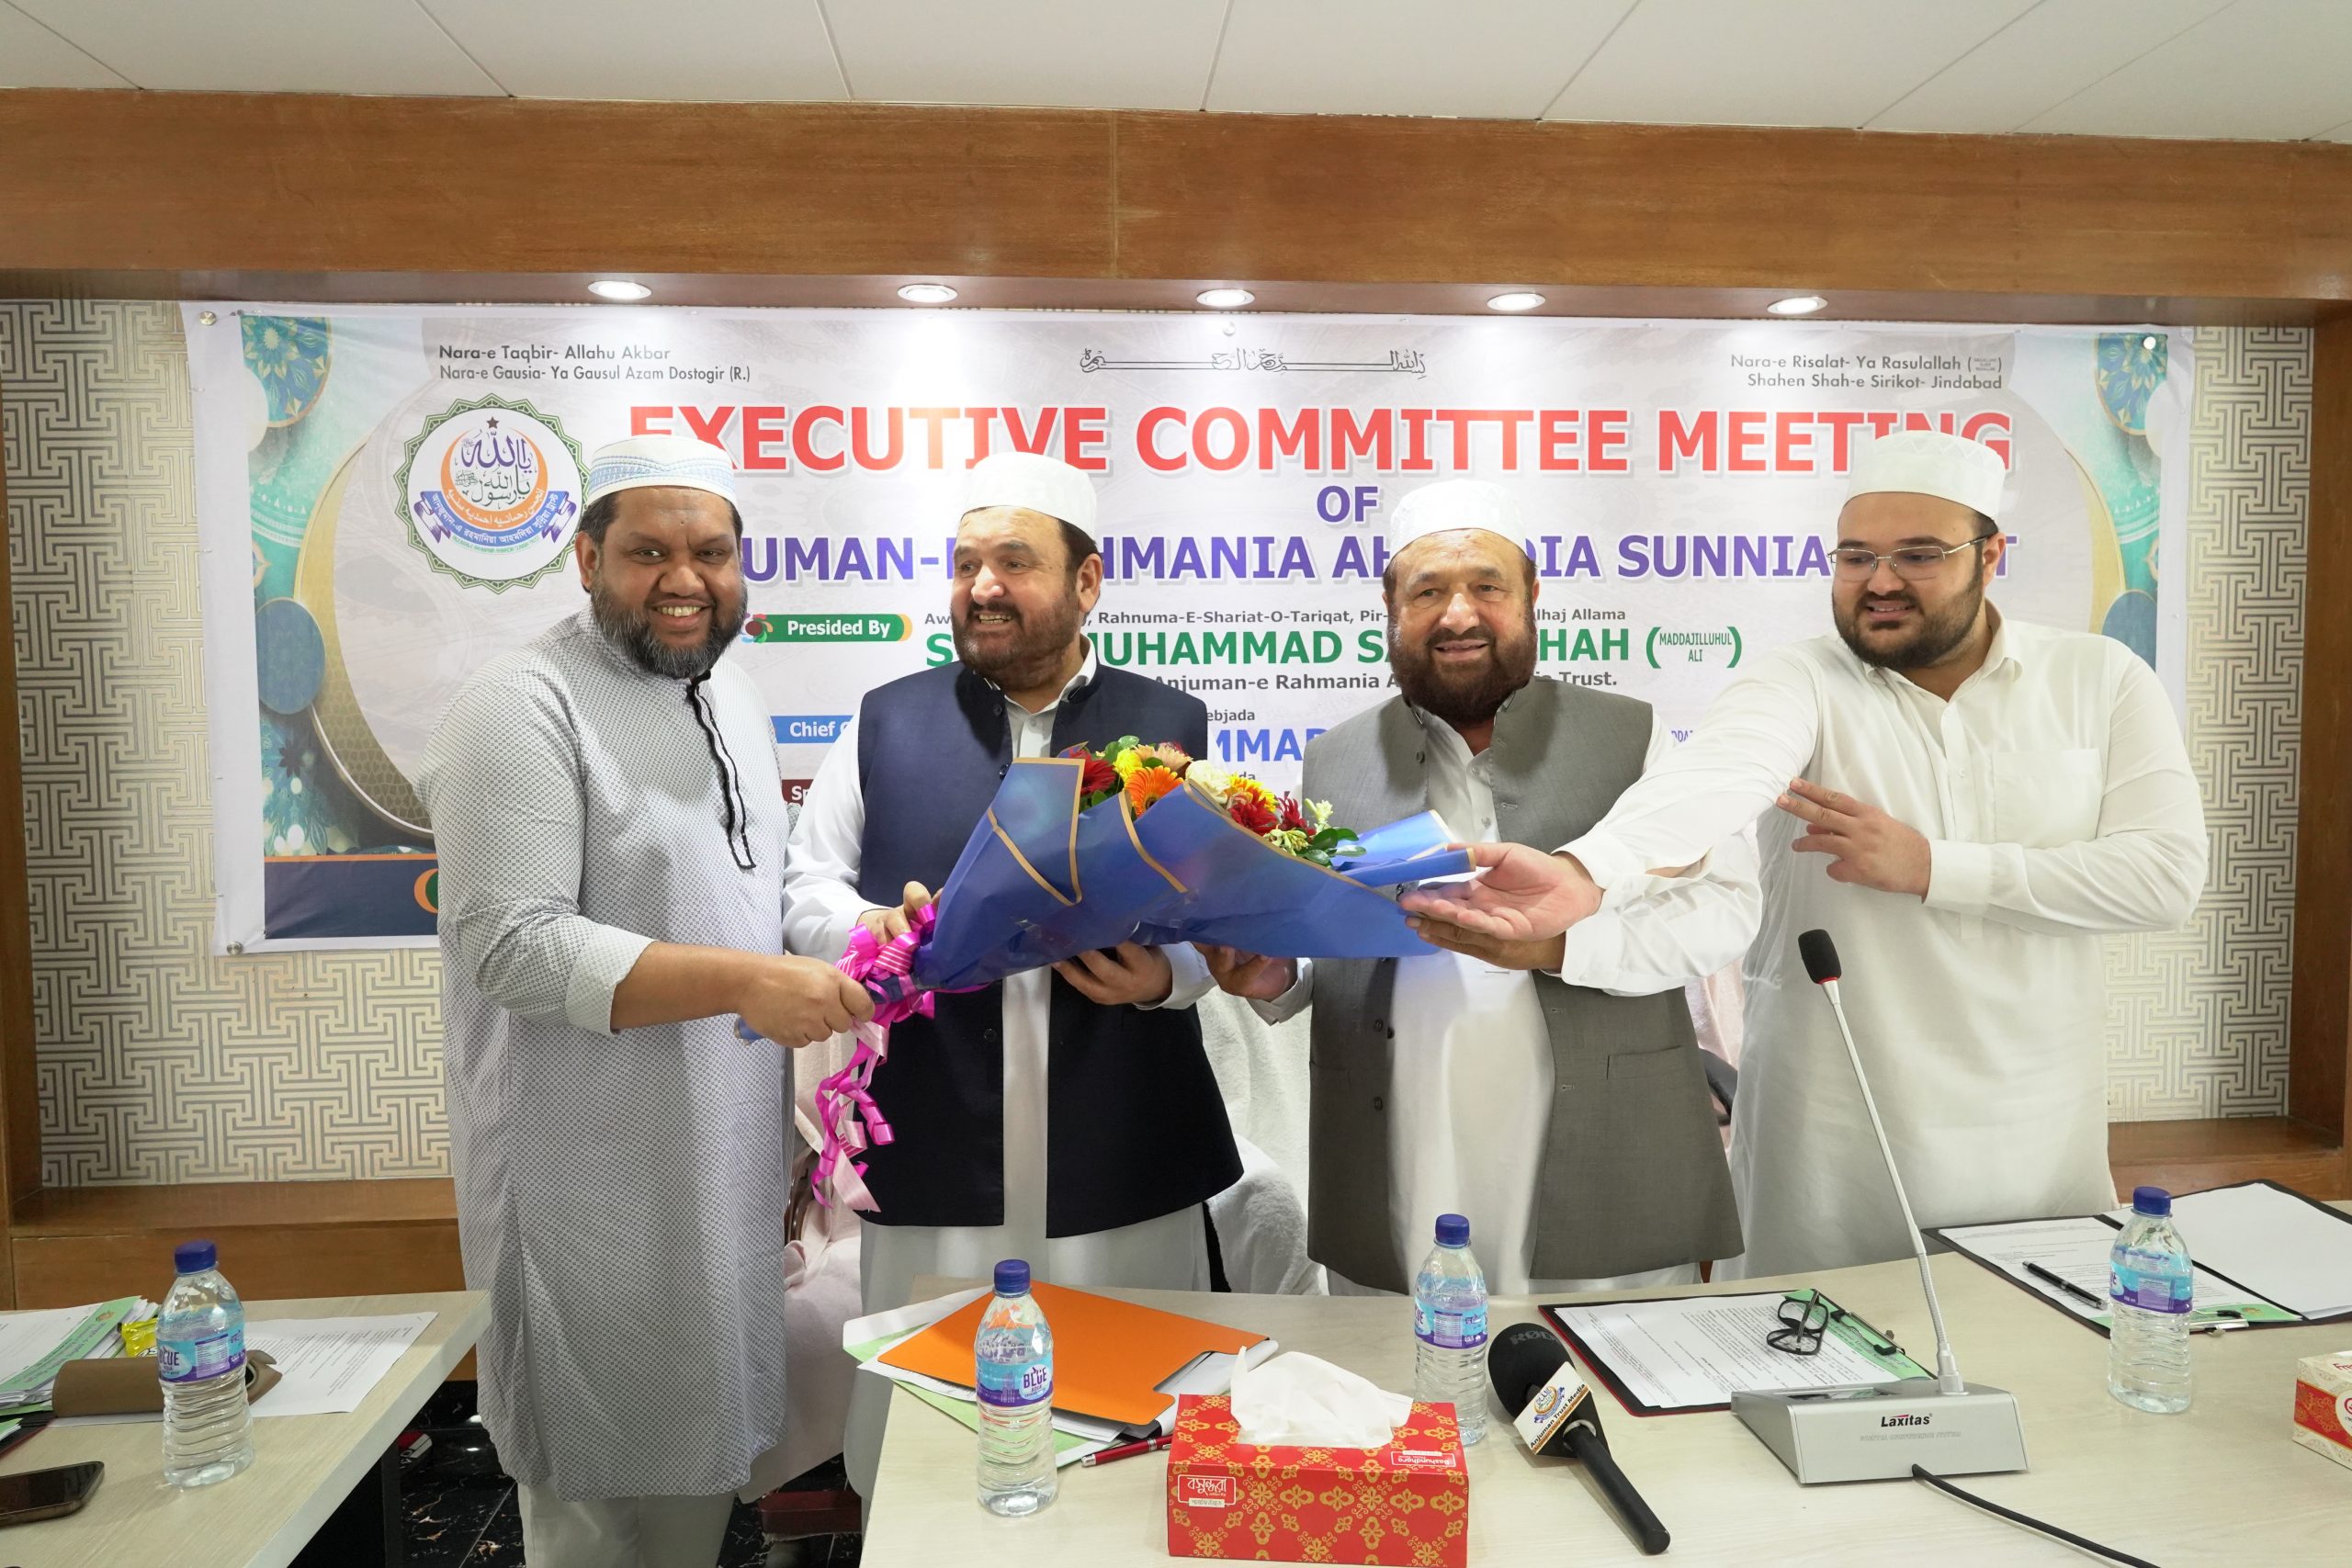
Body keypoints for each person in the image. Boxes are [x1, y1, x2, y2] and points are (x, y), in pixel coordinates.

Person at [1403, 431, 2209, 1276]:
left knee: (2036, 1346)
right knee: (1807, 1346)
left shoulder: (2101, 678)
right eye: (1856, 557)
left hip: (2038, 1127)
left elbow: (2163, 878)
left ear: (1990, 555)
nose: (1881, 581)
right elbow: (1713, 781)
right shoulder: (1800, 681)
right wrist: (1585, 873)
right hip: (1834, 1134)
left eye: (1918, 555)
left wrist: (1932, 867)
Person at [419, 434, 874, 1567]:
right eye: (647, 552)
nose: (684, 580)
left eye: (710, 552)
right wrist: (746, 982)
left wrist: (886, 934)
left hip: (719, 1178)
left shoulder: (733, 695)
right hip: (585, 1187)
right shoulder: (520, 706)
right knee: (593, 1506)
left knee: (697, 1486)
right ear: (586, 559)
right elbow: (514, 947)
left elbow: (749, 901)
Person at [784, 450, 1240, 1497]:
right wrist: (874, 930)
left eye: (1014, 563)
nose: (982, 586)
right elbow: (807, 886)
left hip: (1124, 1143)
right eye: (965, 565)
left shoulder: (1173, 727)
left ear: (1087, 582)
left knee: (1135, 1438)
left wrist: (1163, 978)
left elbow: (1222, 924)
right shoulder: (885, 720)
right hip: (934, 1139)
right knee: (932, 1453)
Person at [1206, 479, 1757, 1296]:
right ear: (1391, 606)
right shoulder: (1331, 761)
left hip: (1607, 1159)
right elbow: (1333, 946)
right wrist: (1279, 977)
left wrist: (1563, 944)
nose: (1458, 614)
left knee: (1608, 1369)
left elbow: (1726, 908)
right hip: (1401, 1155)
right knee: (1405, 1362)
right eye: (1427, 591)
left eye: (1487, 587)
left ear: (1532, 594)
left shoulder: (1633, 736)